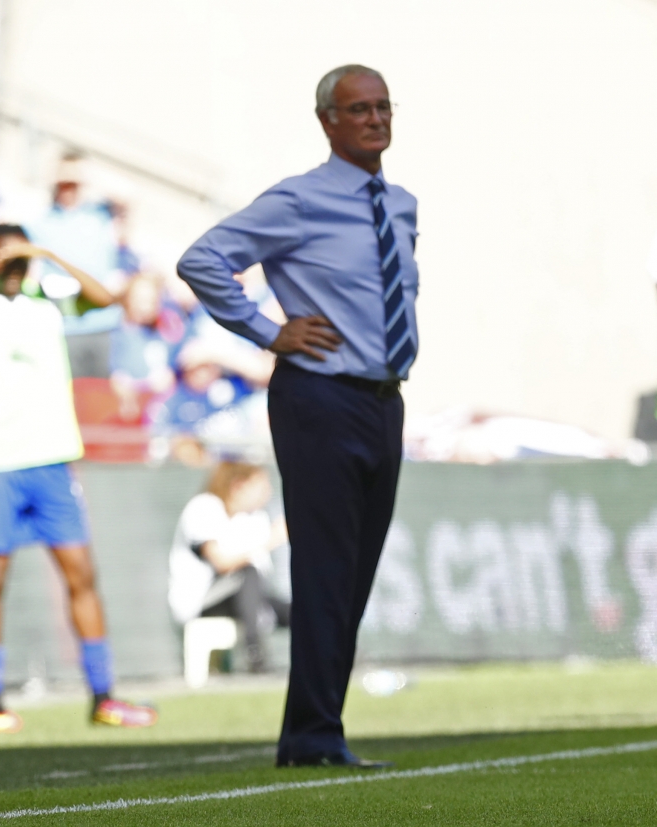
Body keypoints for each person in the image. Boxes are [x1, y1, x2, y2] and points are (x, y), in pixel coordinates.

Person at [176, 65, 417, 768]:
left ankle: (319, 727)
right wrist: (266, 328)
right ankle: (313, 735)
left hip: (384, 396)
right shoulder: (301, 199)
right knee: (324, 566)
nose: (374, 119)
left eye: (382, 107)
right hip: (319, 393)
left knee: (356, 570)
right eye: (358, 109)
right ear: (328, 122)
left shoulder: (400, 203)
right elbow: (204, 259)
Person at [0, 223, 156, 734]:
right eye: (3, 258)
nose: (11, 268)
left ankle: (103, 696)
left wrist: (48, 254)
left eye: (19, 259)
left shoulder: (47, 296)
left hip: (52, 461)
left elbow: (106, 300)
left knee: (82, 575)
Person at [169, 461, 289, 671]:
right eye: (261, 486)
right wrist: (272, 539)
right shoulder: (204, 507)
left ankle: (335, 656)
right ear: (238, 485)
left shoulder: (254, 518)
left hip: (244, 598)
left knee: (296, 611)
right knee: (248, 574)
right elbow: (222, 564)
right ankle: (256, 655)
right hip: (201, 603)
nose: (268, 493)